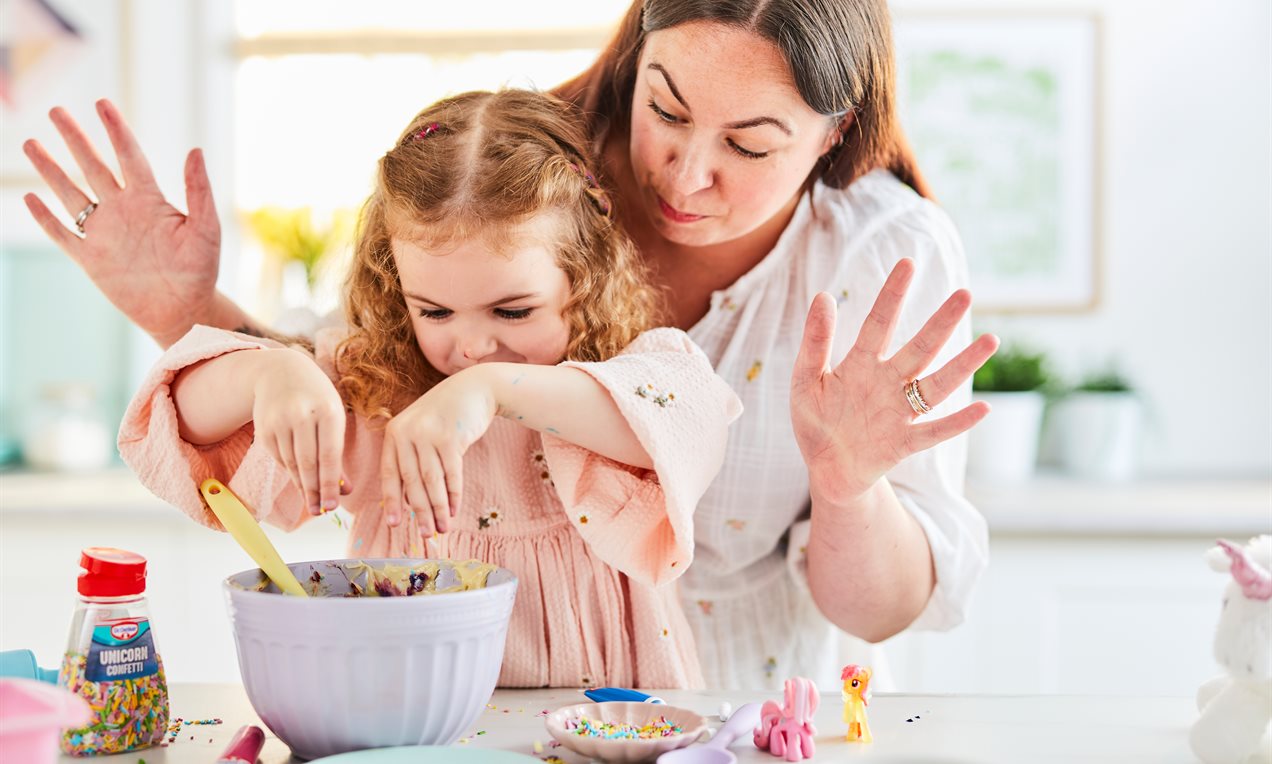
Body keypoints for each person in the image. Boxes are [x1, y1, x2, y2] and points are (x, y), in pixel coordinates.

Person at [23, 0, 1000, 690]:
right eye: (665, 108)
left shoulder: (875, 254)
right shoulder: (509, 175)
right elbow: (309, 408)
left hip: (730, 710)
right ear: (632, 59)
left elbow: (674, 413)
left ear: (836, 134)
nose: (689, 175)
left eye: (750, 145)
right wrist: (210, 328)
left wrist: (846, 483)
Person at [115, 89, 744, 689]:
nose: (470, 347)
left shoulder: (630, 376)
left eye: (513, 311)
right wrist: (266, 374)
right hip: (413, 718)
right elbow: (182, 427)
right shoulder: (377, 391)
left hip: (608, 721)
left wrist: (491, 390)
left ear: (584, 275)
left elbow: (690, 425)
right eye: (436, 313)